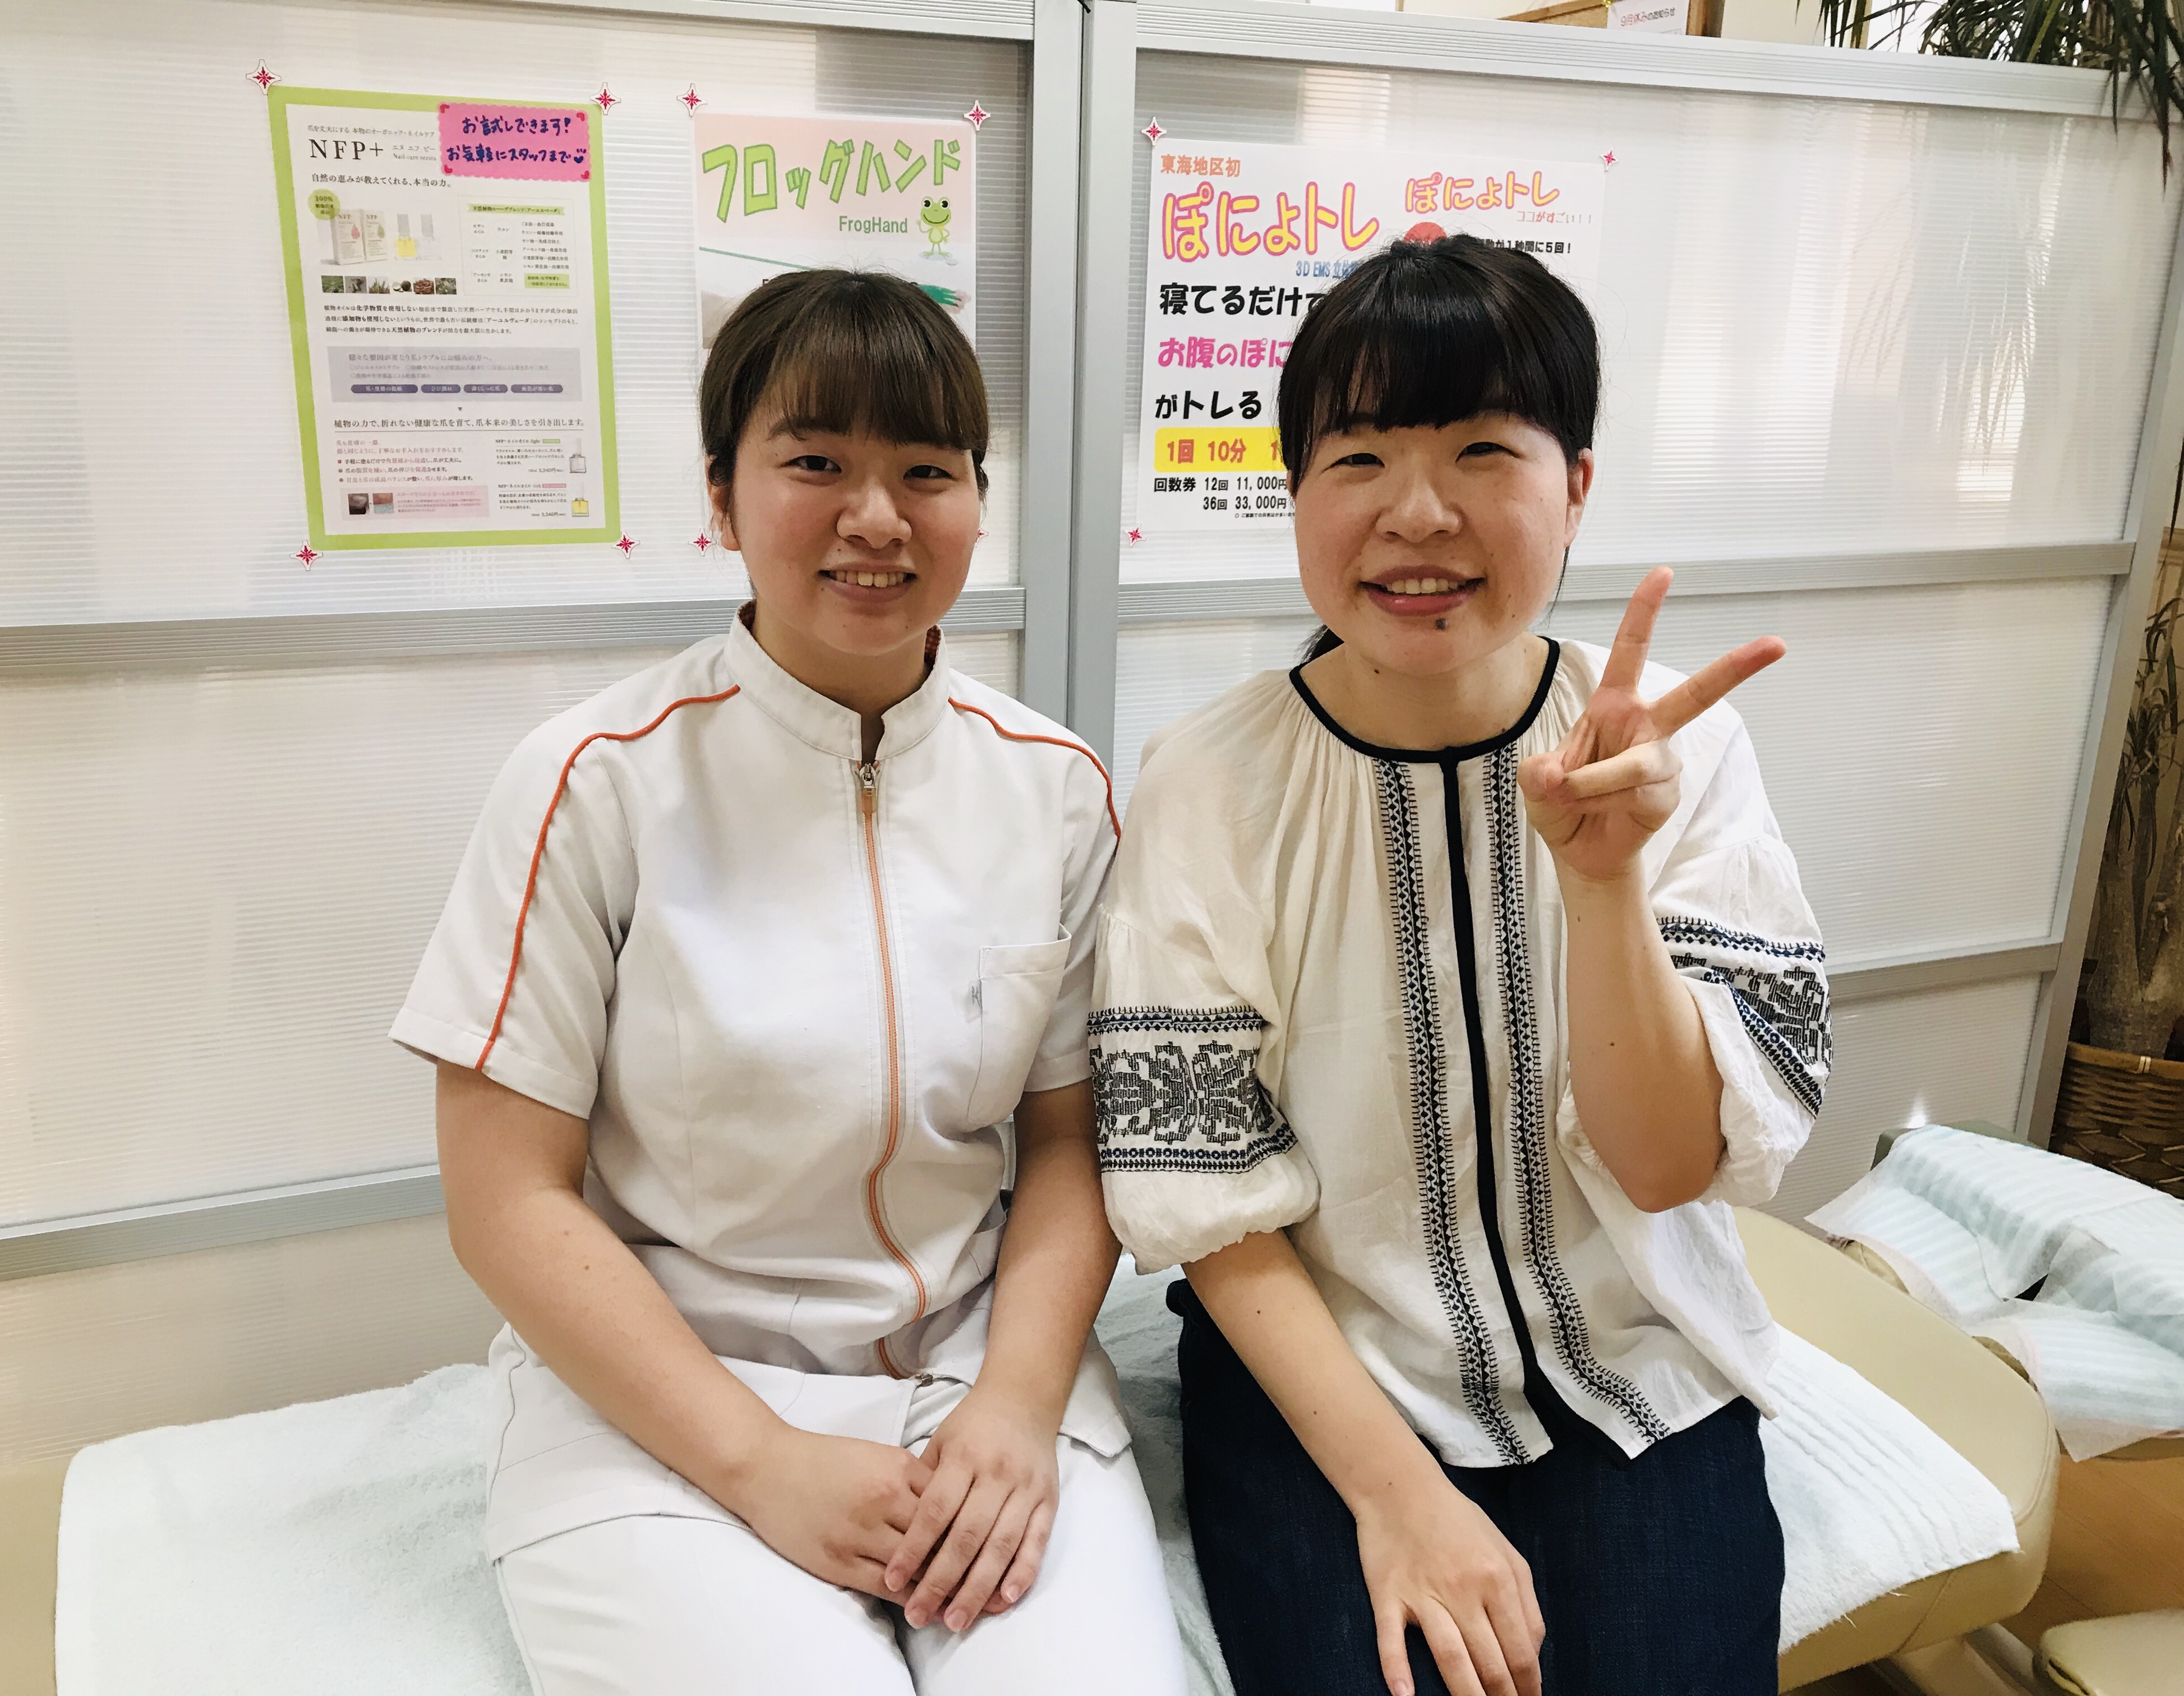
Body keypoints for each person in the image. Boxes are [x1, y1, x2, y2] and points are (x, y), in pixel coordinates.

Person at [394, 269, 1186, 1696]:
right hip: (668, 1402)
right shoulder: (595, 782)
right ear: (723, 493)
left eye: (927, 471)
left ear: (978, 500)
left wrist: (1017, 1404)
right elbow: (505, 1198)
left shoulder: (1056, 790)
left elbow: (1069, 1143)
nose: (876, 518)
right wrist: (761, 1461)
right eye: (816, 463)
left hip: (974, 1378)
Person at [1089, 236, 1828, 1696]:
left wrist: (1605, 886)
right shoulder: (1207, 783)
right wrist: (1401, 1500)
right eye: (1358, 457)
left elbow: (1669, 1165)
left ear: (1577, 484)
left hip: (1637, 1364)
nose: (1417, 513)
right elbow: (1208, 1204)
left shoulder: (1682, 758)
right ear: (1296, 492)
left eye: (1483, 449)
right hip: (1326, 1387)